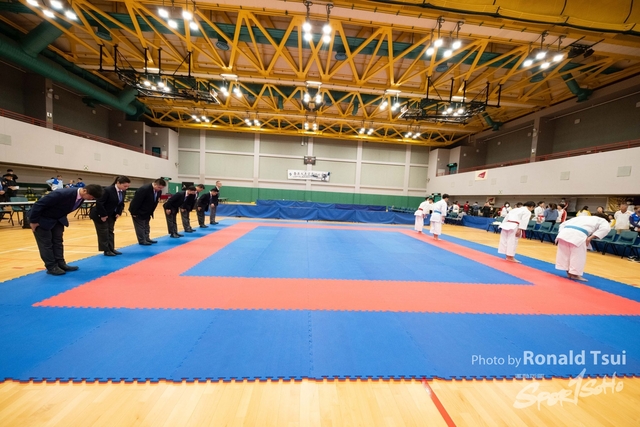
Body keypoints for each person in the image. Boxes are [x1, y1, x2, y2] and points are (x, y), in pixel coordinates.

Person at [27, 184, 103, 275]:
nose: (91, 199)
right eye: (91, 197)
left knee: (58, 242)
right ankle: (51, 266)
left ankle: (61, 264)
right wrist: (33, 221)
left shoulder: (82, 197)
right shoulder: (61, 193)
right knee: (46, 244)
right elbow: (38, 205)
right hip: (41, 219)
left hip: (58, 219)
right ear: (85, 191)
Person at [555, 214, 611, 282]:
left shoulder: (582, 217)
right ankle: (574, 275)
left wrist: (561, 232)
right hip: (579, 235)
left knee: (565, 254)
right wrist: (590, 238)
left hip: (564, 233)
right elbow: (605, 229)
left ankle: (569, 273)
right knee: (578, 256)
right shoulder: (602, 220)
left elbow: (562, 224)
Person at [90, 176, 130, 256]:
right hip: (100, 214)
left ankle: (111, 248)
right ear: (118, 183)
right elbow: (100, 203)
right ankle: (106, 250)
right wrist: (103, 215)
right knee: (104, 232)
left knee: (110, 231)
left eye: (127, 186)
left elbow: (121, 203)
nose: (126, 188)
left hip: (112, 214)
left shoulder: (122, 191)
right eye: (125, 186)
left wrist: (118, 212)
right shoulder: (107, 190)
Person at [129, 178, 166, 245]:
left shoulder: (158, 192)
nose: (160, 189)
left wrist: (151, 212)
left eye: (161, 188)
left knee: (146, 226)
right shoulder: (144, 189)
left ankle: (147, 238)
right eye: (159, 187)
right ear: (155, 184)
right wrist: (134, 212)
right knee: (140, 227)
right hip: (139, 212)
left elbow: (155, 202)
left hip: (148, 212)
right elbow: (136, 201)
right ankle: (142, 240)